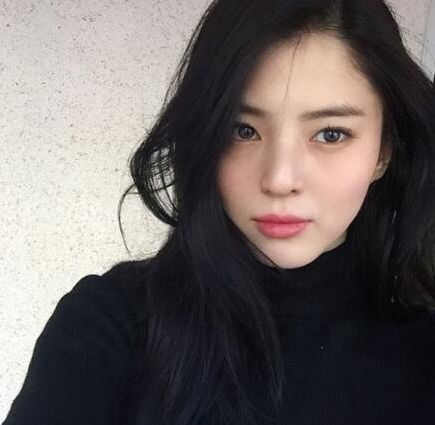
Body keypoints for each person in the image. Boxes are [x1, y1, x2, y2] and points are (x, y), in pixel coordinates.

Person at [3, 0, 435, 424]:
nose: (280, 179)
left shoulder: (422, 357)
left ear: (384, 152)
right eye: (243, 130)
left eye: (330, 134)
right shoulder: (111, 324)